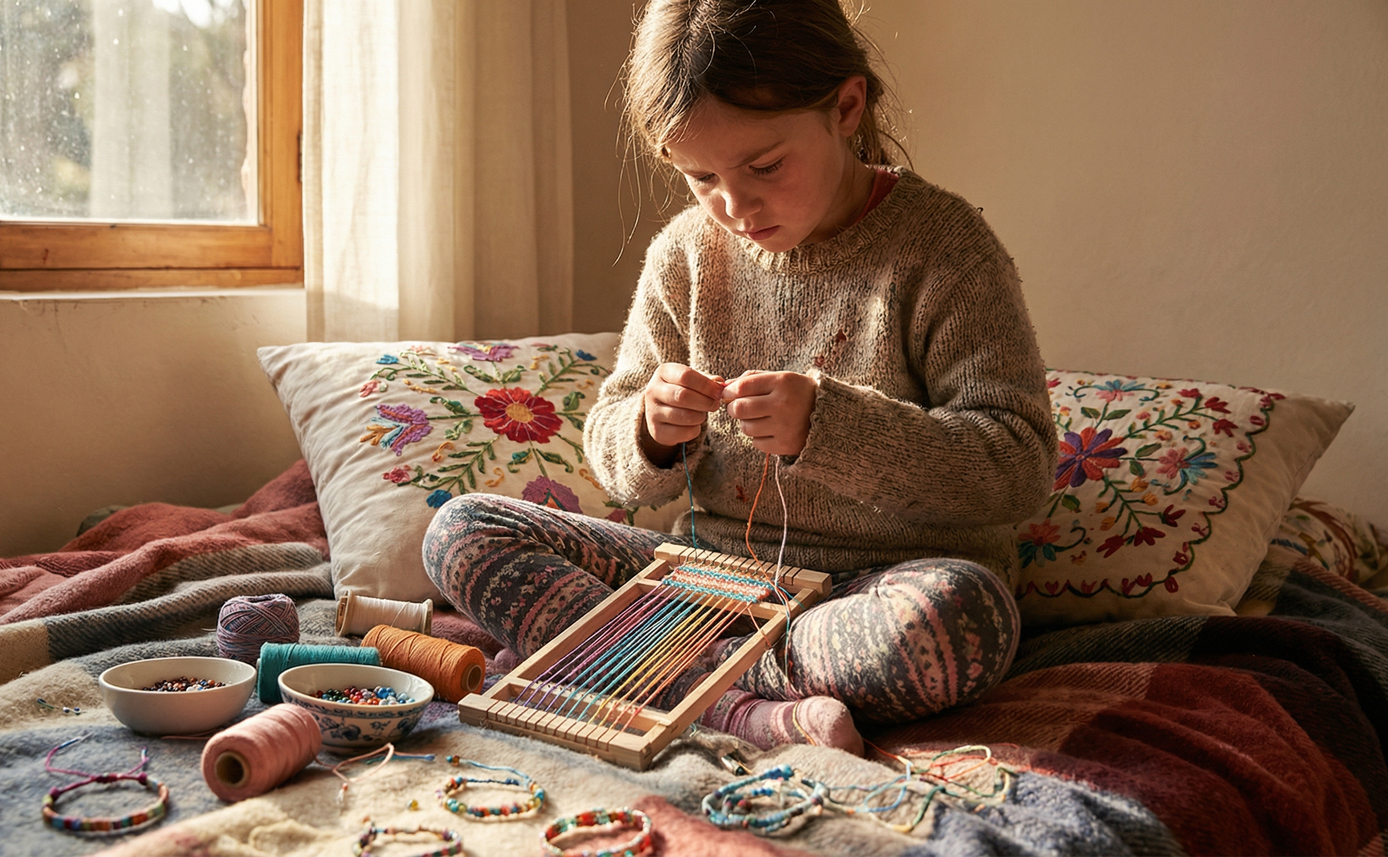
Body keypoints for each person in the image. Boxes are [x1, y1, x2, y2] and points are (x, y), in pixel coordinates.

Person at [423, 0, 1055, 755]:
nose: (733, 204)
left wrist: (833, 426)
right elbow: (617, 454)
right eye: (699, 177)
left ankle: (639, 671)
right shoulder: (685, 256)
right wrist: (651, 433)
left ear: (846, 107)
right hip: (700, 582)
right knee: (461, 531)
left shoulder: (946, 250)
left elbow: (1018, 465)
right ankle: (739, 709)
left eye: (764, 166)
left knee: (962, 617)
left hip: (871, 593)